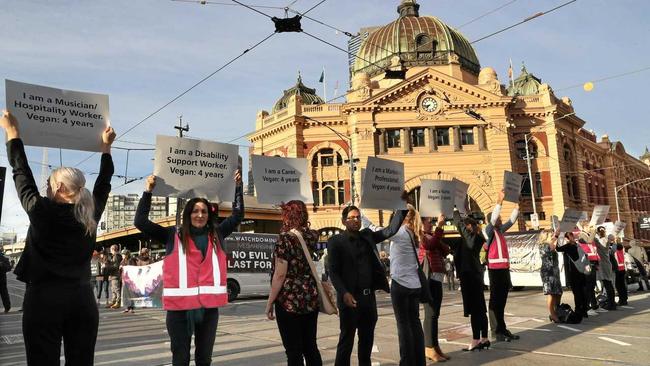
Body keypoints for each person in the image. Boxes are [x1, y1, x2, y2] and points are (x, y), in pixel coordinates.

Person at [2, 110, 115, 365]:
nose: (47, 189)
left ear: (60, 188)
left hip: (43, 301)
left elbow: (21, 173)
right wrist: (106, 148)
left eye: (50, 185)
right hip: (82, 300)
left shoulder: (41, 211)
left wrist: (12, 134)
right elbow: (104, 182)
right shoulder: (91, 213)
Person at [134, 172, 243, 366]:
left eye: (204, 211)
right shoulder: (171, 235)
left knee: (204, 359)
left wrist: (238, 187)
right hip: (179, 311)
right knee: (181, 359)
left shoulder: (217, 234)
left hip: (208, 310)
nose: (200, 215)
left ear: (209, 215)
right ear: (188, 214)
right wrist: (148, 191)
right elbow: (140, 222)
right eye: (195, 211)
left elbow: (237, 216)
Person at [328, 203, 407, 366]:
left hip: (368, 300)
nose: (355, 220)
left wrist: (402, 206)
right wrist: (344, 293)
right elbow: (334, 273)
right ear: (343, 221)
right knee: (346, 342)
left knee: (366, 343)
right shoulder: (335, 241)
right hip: (349, 300)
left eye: (357, 217)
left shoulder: (367, 236)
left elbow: (390, 230)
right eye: (351, 218)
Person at [265, 200, 322, 366]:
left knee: (293, 350)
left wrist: (270, 302)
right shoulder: (312, 236)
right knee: (310, 346)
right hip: (310, 297)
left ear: (287, 216)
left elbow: (280, 274)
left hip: (289, 300)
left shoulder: (285, 239)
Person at [385, 205, 425, 366]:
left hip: (401, 284)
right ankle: (418, 361)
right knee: (414, 322)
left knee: (403, 325)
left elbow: (378, 230)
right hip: (414, 285)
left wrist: (363, 213)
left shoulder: (400, 233)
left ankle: (407, 361)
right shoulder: (414, 234)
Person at [483, 189, 519, 342]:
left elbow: (511, 221)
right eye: (498, 218)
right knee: (495, 301)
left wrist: (517, 207)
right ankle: (496, 331)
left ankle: (503, 329)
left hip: (504, 270)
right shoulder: (489, 231)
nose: (501, 219)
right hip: (495, 271)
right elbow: (493, 220)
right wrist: (499, 201)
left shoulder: (500, 230)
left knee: (502, 301)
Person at [452, 208, 489, 351]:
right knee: (480, 309)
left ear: (469, 227)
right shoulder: (476, 238)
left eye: (465, 227)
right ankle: (484, 338)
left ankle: (476, 340)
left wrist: (456, 212)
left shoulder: (472, 239)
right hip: (475, 275)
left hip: (470, 276)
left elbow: (460, 226)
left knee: (475, 310)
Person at [418, 214, 450, 362]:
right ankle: (428, 347)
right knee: (430, 313)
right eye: (429, 222)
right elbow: (428, 246)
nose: (431, 224)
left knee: (435, 314)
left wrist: (437, 236)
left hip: (437, 277)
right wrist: (439, 228)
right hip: (427, 278)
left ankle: (435, 346)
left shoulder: (432, 236)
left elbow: (446, 250)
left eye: (432, 222)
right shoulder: (420, 235)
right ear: (421, 223)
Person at [557, 232, 588, 319]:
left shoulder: (568, 246)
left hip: (574, 273)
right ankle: (584, 311)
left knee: (577, 293)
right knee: (582, 292)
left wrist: (558, 236)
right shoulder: (578, 245)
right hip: (582, 271)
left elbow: (557, 248)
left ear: (566, 239)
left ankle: (578, 310)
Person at [538, 230, 562, 322]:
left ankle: (556, 311)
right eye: (550, 235)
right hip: (548, 272)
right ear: (545, 237)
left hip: (555, 271)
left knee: (558, 292)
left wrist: (558, 234)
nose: (552, 237)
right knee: (551, 293)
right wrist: (556, 236)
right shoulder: (543, 245)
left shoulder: (551, 244)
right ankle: (552, 314)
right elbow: (551, 247)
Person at [595, 227, 616, 310]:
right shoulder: (605, 239)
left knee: (608, 285)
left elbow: (598, 245)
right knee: (608, 284)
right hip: (606, 264)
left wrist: (594, 237)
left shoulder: (602, 240)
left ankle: (611, 304)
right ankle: (612, 303)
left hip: (604, 264)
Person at [611, 237, 628, 305]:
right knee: (623, 285)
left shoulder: (615, 251)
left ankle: (621, 300)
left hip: (617, 269)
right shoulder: (622, 249)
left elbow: (614, 259)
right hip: (622, 268)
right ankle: (625, 299)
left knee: (618, 286)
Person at [120, 249, 138, 314]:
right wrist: (120, 268)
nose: (122, 255)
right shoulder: (122, 261)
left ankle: (131, 308)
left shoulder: (131, 260)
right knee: (125, 294)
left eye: (123, 254)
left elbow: (133, 269)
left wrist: (125, 267)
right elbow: (120, 271)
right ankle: (127, 307)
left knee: (131, 294)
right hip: (124, 279)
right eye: (122, 254)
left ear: (127, 255)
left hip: (130, 280)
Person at [106, 244, 123, 309]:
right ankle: (114, 301)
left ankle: (118, 302)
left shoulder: (116, 256)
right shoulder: (114, 256)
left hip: (115, 275)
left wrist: (107, 266)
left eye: (111, 249)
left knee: (116, 289)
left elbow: (115, 266)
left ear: (113, 249)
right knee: (113, 289)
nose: (110, 251)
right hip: (113, 275)